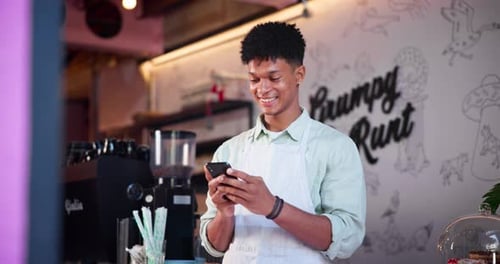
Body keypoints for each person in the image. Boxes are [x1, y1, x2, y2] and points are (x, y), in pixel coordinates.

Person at [199, 21, 366, 263]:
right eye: (254, 79)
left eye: (274, 77)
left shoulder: (335, 147)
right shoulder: (230, 150)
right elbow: (215, 247)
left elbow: (347, 239)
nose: (263, 89)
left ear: (299, 75)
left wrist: (272, 207)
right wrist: (225, 214)